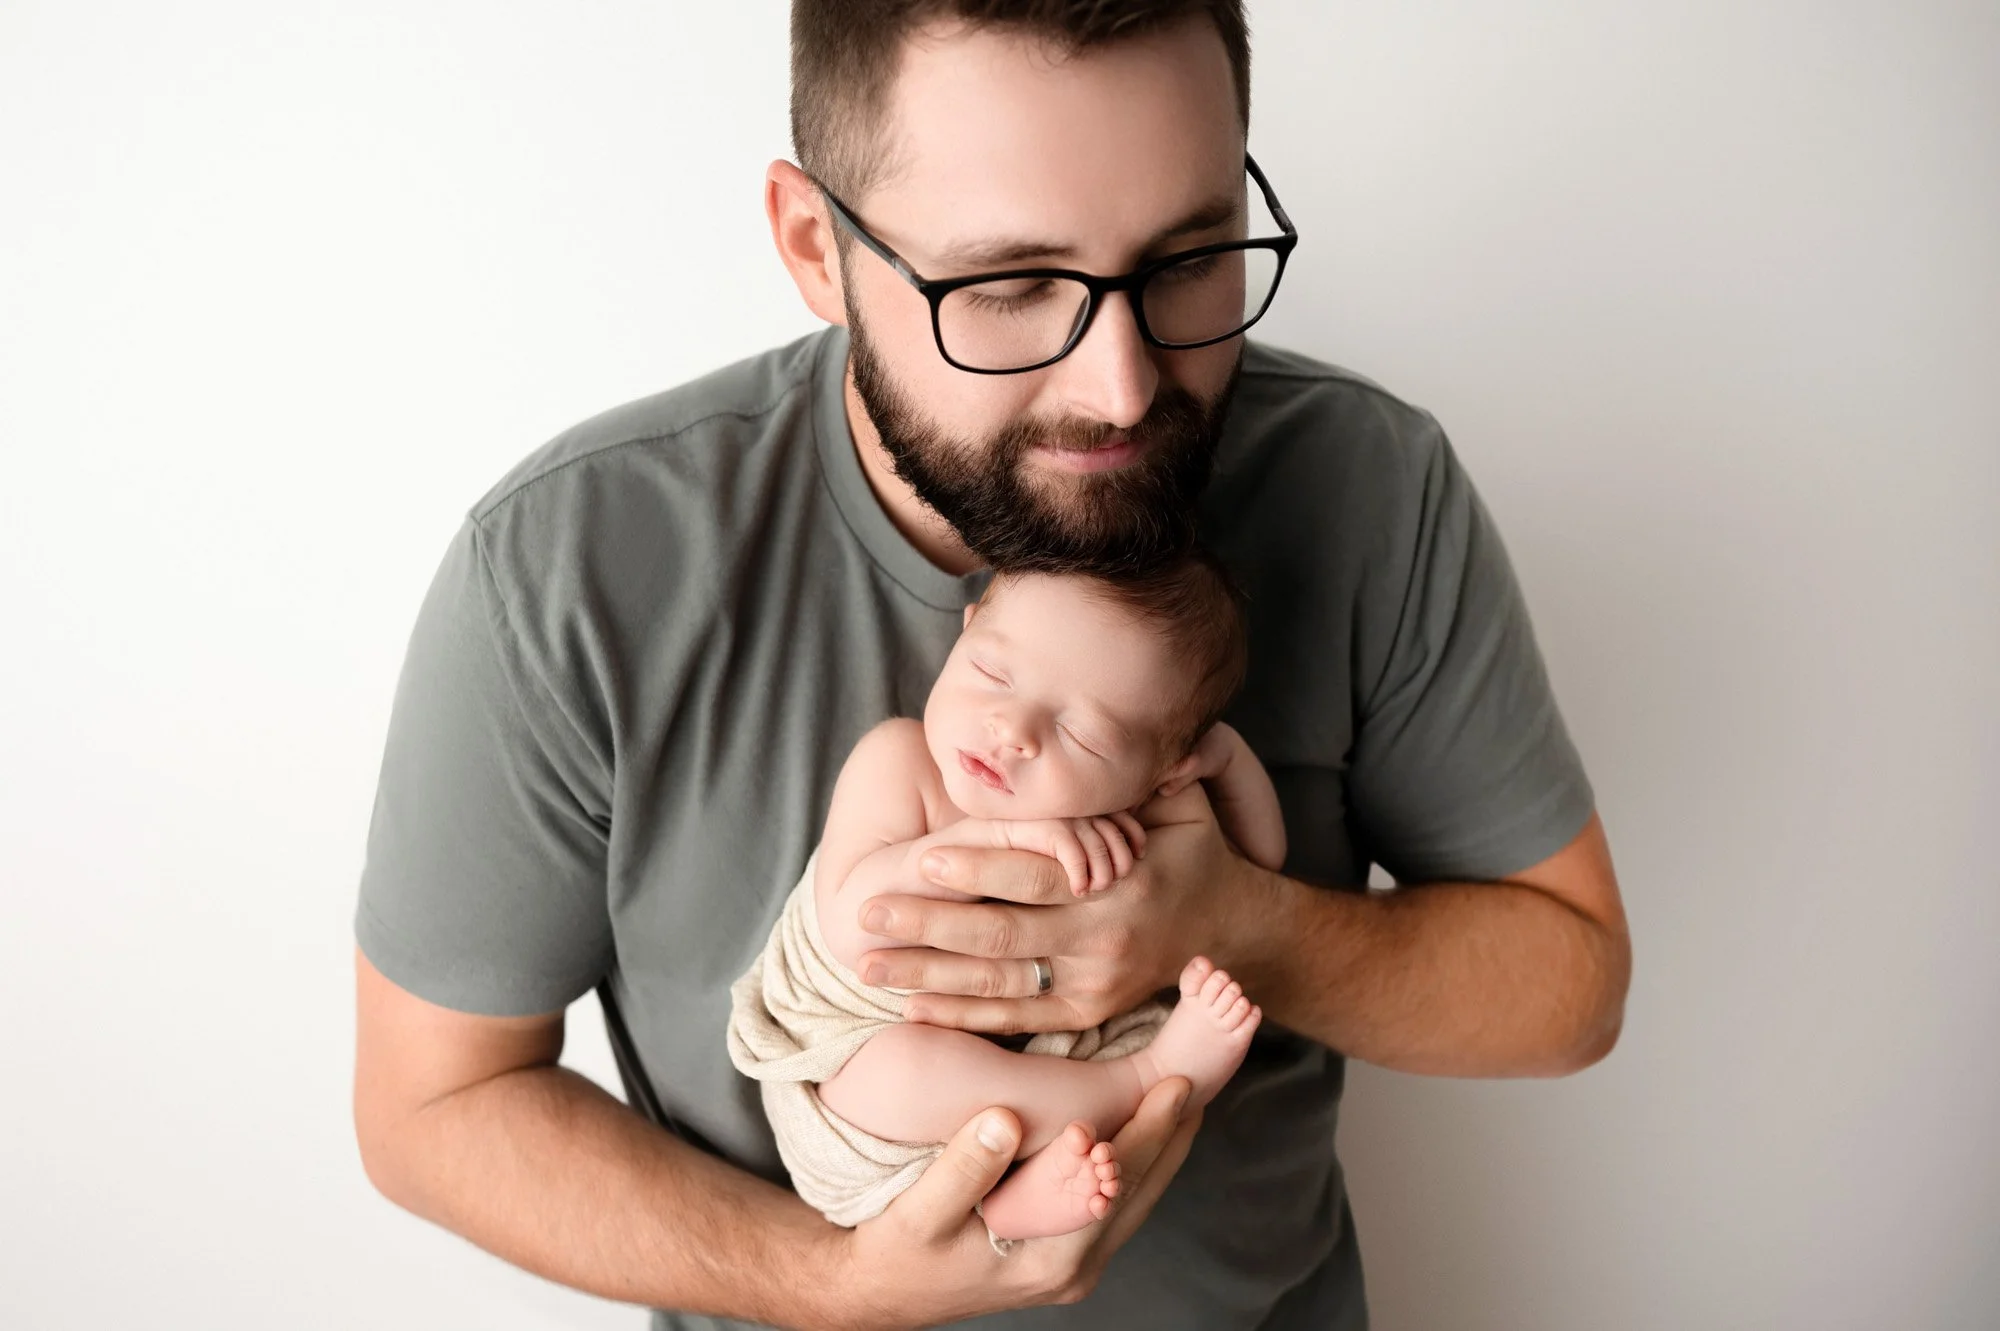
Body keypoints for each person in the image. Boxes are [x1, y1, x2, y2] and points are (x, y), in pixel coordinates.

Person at [351, 4, 1633, 1329]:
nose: (1125, 386)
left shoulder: (1371, 485)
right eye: (1012, 285)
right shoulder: (567, 572)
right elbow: (429, 1103)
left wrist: (1237, 923)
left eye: (1190, 259)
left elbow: (1570, 984)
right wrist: (831, 1281)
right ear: (816, 246)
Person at [727, 559, 1282, 1244]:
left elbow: (1261, 861)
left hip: (1043, 1095)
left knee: (1091, 1076)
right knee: (898, 1075)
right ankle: (1153, 1072)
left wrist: (1227, 763)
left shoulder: (1133, 809)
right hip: (859, 1090)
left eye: (1083, 735)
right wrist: (997, 835)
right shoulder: (898, 763)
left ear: (1160, 771)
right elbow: (852, 928)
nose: (1012, 729)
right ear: (966, 632)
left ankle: (1013, 1207)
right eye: (993, 673)